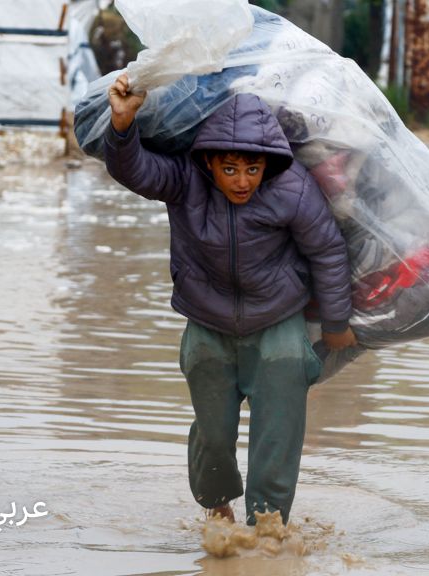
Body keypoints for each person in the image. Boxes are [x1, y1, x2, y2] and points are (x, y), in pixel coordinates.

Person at [104, 73, 357, 525]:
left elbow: (328, 251)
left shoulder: (293, 187)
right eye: (230, 169)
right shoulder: (185, 180)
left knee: (278, 434)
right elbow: (135, 170)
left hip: (278, 324)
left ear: (268, 164)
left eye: (252, 169)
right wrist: (122, 126)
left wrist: (336, 323)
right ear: (209, 162)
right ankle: (217, 510)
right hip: (207, 322)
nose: (242, 181)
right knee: (213, 434)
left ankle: (267, 531)